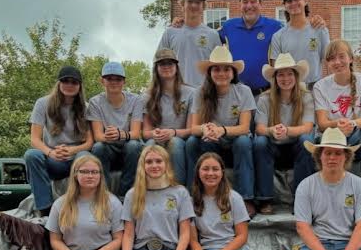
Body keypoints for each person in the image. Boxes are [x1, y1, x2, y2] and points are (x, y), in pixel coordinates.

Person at [313, 40, 361, 209]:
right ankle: (320, 192)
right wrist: (337, 125)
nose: (337, 62)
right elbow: (322, 123)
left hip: (356, 134)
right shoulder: (320, 86)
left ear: (351, 58)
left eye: (341, 57)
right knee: (313, 139)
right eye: (332, 59)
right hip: (331, 136)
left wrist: (351, 124)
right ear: (327, 63)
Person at [185, 45, 256, 216]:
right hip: (212, 144)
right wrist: (205, 129)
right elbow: (193, 128)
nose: (221, 73)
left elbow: (245, 127)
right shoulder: (200, 93)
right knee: (192, 142)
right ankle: (195, 195)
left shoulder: (243, 91)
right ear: (209, 73)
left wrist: (221, 130)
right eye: (216, 69)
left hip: (235, 142)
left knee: (244, 140)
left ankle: (245, 198)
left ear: (233, 72)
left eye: (226, 69)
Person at [119, 145, 195, 250]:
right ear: (143, 165)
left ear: (166, 164)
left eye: (159, 161)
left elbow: (185, 233)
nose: (154, 165)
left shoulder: (180, 193)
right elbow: (128, 233)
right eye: (149, 162)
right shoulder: (132, 194)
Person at [219, 0, 326, 97]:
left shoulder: (275, 27)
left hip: (265, 95)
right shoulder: (228, 27)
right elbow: (213, 47)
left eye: (253, 1)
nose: (249, 6)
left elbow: (296, 31)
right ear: (239, 4)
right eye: (245, 2)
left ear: (260, 4)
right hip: (236, 94)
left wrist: (315, 22)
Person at [43, 154, 124, 250]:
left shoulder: (112, 202)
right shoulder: (61, 204)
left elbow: (119, 240)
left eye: (94, 172)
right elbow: (55, 240)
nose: (90, 176)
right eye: (84, 172)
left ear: (101, 175)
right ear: (75, 174)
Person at [176, 153, 251, 250]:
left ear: (222, 173)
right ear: (198, 172)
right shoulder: (190, 201)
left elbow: (242, 236)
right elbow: (192, 238)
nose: (210, 173)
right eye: (205, 169)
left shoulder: (234, 198)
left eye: (215, 169)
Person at [24, 65, 93, 217]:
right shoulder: (43, 103)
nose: (69, 85)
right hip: (53, 159)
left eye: (74, 82)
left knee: (86, 157)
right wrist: (51, 152)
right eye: (65, 81)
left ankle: (84, 207)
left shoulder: (86, 108)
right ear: (59, 83)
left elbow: (89, 143)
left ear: (79, 86)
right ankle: (45, 209)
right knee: (31, 155)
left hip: (77, 159)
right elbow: (34, 139)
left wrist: (72, 150)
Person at [253, 53, 316, 214]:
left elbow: (308, 127)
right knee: (260, 142)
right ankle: (265, 200)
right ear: (275, 78)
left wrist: (287, 130)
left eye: (289, 74)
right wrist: (271, 130)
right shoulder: (264, 98)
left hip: (296, 147)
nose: (285, 78)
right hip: (273, 147)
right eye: (281, 74)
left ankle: (301, 199)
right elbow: (259, 128)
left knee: (306, 140)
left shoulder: (306, 97)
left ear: (296, 76)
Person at [87, 61, 144, 199]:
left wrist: (120, 134)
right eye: (109, 78)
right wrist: (111, 135)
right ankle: (103, 195)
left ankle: (125, 195)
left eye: (118, 79)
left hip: (128, 147)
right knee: (98, 147)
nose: (114, 82)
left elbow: (136, 134)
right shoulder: (95, 102)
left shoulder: (135, 100)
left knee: (134, 145)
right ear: (102, 81)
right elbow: (98, 136)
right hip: (108, 148)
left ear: (124, 81)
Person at [141, 48, 195, 186]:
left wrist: (173, 132)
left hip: (180, 139)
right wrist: (155, 133)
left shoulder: (191, 93)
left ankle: (180, 190)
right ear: (156, 68)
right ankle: (148, 190)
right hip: (157, 139)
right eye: (162, 64)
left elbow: (192, 129)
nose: (166, 67)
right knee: (149, 146)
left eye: (170, 63)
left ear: (176, 67)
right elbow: (145, 132)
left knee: (175, 144)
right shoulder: (147, 97)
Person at [157, 0, 221, 87]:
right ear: (182, 5)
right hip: (176, 94)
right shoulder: (170, 32)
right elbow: (158, 62)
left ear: (203, 7)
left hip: (203, 95)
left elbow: (219, 68)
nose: (194, 5)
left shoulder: (213, 35)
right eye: (190, 1)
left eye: (198, 2)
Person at [269, 0, 330, 87]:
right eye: (289, 1)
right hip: (289, 88)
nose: (293, 3)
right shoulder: (278, 36)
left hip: (315, 87)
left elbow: (329, 60)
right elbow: (276, 68)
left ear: (305, 0)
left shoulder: (319, 29)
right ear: (285, 6)